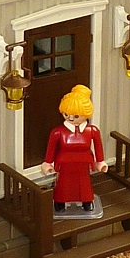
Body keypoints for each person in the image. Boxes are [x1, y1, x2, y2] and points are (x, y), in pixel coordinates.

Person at [41, 84, 107, 213]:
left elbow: (98, 146)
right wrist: (48, 162)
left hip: (83, 162)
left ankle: (87, 201)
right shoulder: (58, 132)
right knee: (63, 183)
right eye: (66, 114)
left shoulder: (92, 131)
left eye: (76, 116)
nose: (70, 118)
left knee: (84, 182)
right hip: (64, 162)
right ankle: (60, 202)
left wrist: (100, 161)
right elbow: (51, 148)